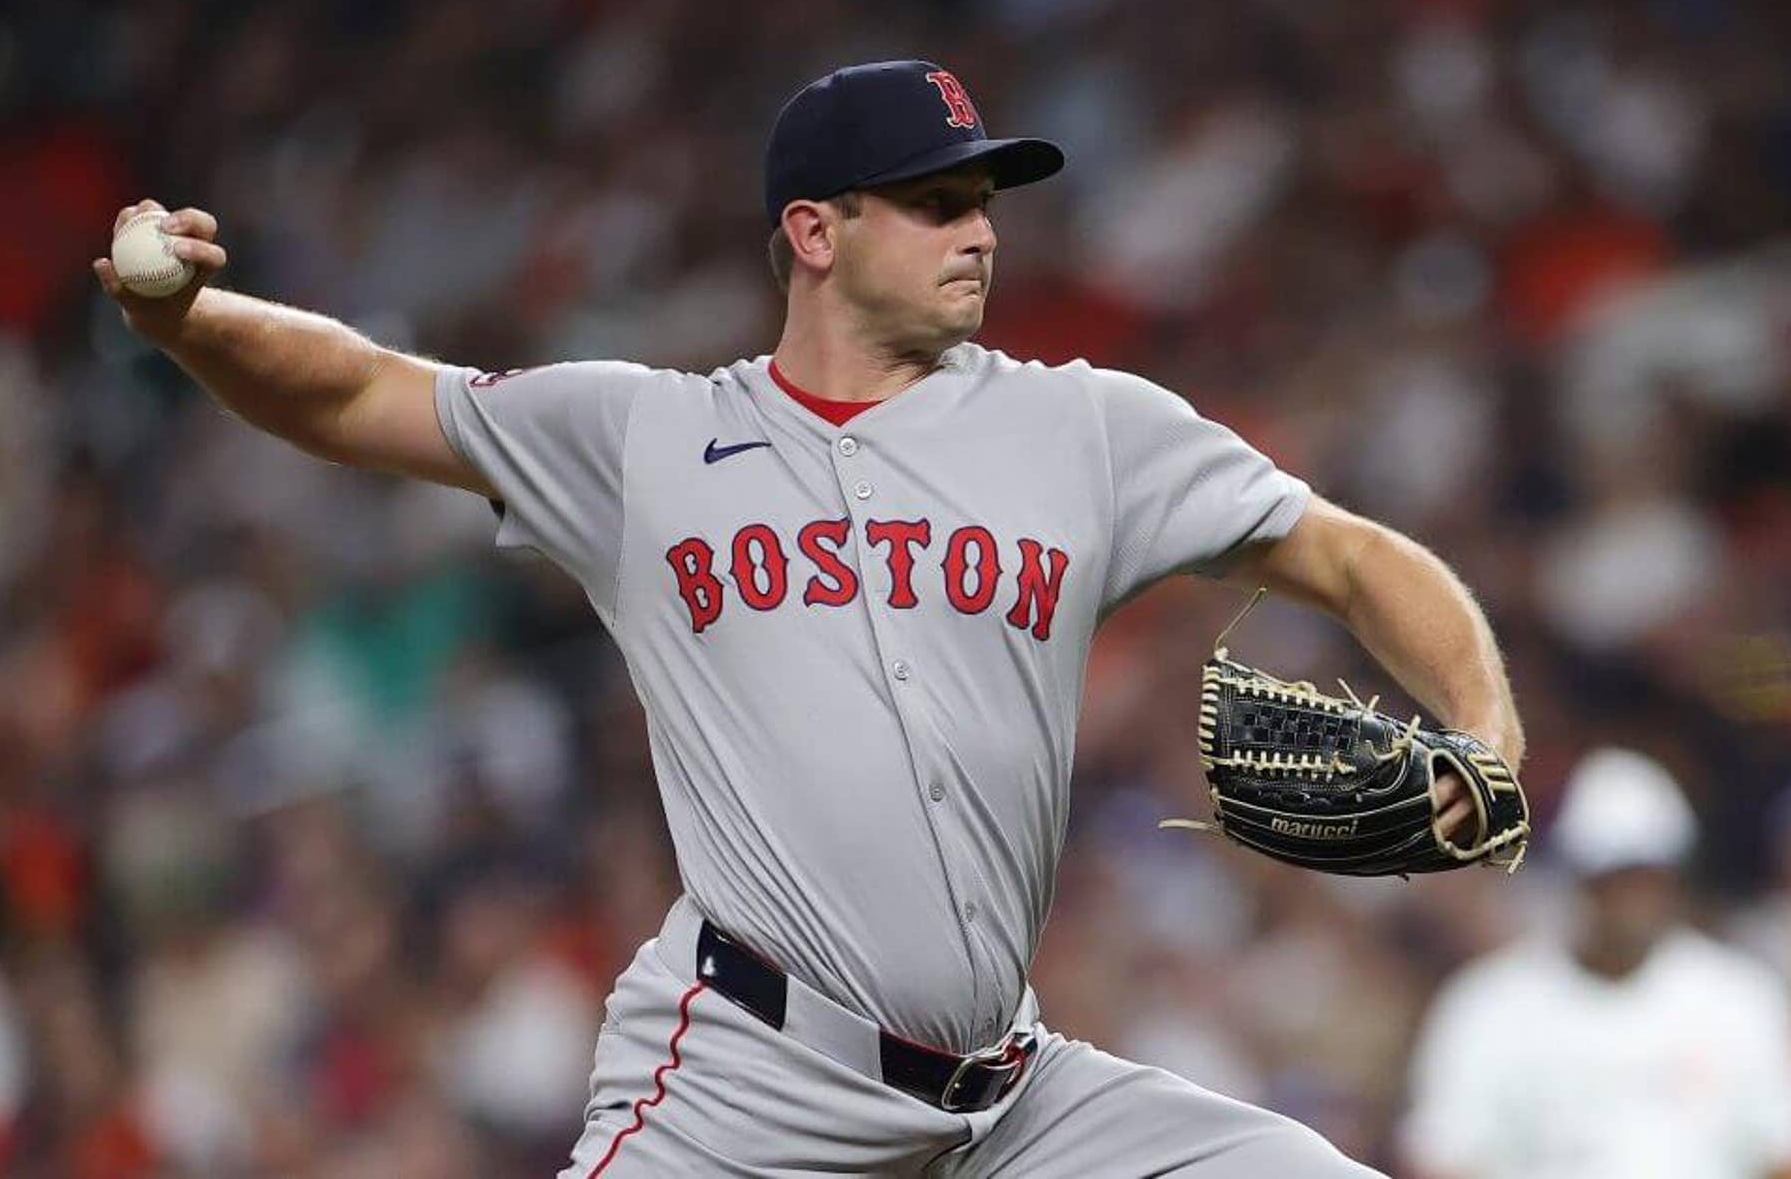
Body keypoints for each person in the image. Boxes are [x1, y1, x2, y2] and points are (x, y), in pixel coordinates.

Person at [96, 59, 1523, 1177]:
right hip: (747, 1087)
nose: (981, 232)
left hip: (1012, 1105)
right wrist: (186, 324)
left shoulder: (1086, 429)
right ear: (816, 231)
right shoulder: (647, 441)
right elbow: (359, 390)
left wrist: (1485, 730)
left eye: (984, 201)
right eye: (937, 203)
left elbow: (1349, 558)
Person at [1398, 746, 1791, 1179]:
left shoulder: (1739, 1000)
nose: (1630, 900)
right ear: (1576, 880)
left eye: (1645, 877)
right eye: (1612, 879)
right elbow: (1441, 1158)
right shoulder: (1490, 1006)